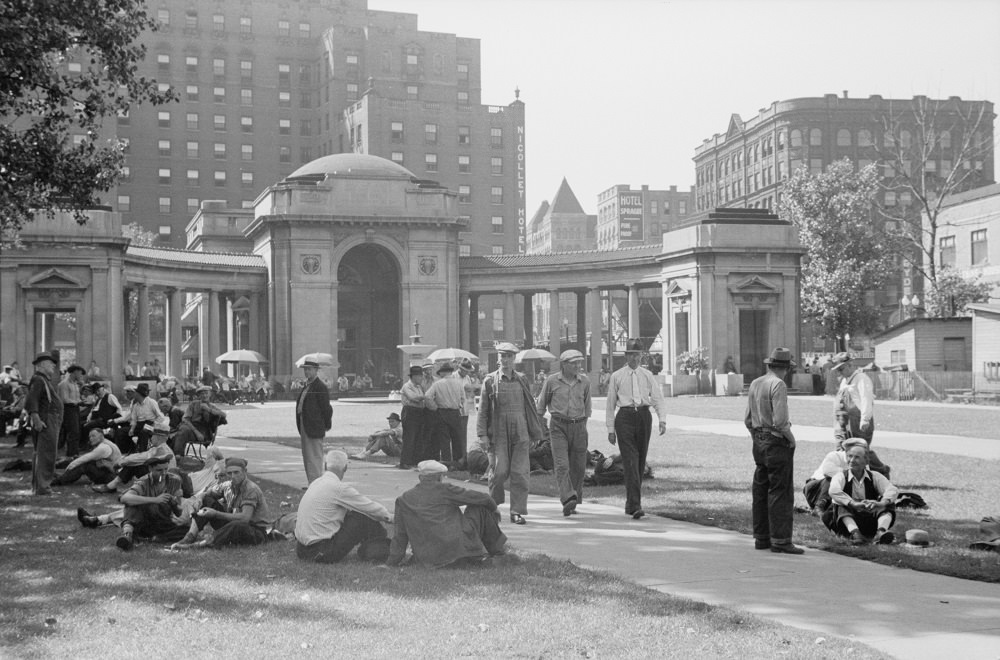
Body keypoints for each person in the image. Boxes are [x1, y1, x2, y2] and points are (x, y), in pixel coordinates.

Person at [388, 460, 507, 567]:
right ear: (440, 477)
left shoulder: (403, 500)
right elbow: (483, 498)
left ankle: (493, 553)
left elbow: (400, 536)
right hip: (459, 553)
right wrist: (494, 508)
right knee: (479, 508)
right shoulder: (445, 489)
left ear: (420, 477)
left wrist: (391, 563)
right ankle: (498, 552)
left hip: (428, 558)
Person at [477, 342, 544, 525]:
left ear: (514, 358)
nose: (505, 360)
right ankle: (492, 506)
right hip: (498, 433)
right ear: (498, 358)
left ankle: (517, 511)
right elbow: (482, 411)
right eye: (502, 356)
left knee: (520, 473)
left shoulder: (522, 379)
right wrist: (482, 435)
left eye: (508, 356)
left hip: (521, 431)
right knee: (499, 471)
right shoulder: (490, 380)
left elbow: (529, 407)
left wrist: (534, 433)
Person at [745, 347, 804, 555]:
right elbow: (780, 422)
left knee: (760, 491)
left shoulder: (755, 383)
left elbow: (748, 419)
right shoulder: (778, 385)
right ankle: (780, 540)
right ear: (786, 368)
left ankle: (762, 537)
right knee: (780, 491)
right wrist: (792, 440)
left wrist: (757, 437)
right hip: (776, 441)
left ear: (770, 364)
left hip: (758, 441)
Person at [605, 338, 667, 520]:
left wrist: (662, 419)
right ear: (626, 356)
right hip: (624, 417)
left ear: (642, 356)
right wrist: (610, 429)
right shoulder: (617, 376)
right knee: (630, 459)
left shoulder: (647, 375)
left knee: (640, 461)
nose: (635, 358)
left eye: (638, 355)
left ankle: (630, 503)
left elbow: (657, 398)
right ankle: (636, 505)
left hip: (643, 417)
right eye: (632, 355)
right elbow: (610, 404)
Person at [295, 450, 393, 563]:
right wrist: (391, 517)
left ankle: (375, 549)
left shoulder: (315, 483)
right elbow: (371, 508)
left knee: (353, 515)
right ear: (345, 468)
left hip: (301, 550)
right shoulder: (339, 489)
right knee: (361, 517)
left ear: (325, 465)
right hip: (322, 552)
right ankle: (379, 551)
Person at [536, 349, 592, 516]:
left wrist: (582, 425)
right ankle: (567, 497)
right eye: (574, 363)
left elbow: (587, 407)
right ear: (564, 365)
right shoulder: (552, 381)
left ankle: (573, 499)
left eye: (579, 362)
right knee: (562, 465)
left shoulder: (585, 382)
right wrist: (540, 428)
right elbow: (540, 406)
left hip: (579, 426)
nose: (578, 366)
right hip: (558, 426)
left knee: (579, 467)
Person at [172, 457, 273, 549]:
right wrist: (200, 498)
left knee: (237, 524)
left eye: (236, 472)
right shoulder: (227, 485)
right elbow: (208, 493)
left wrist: (215, 514)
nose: (233, 476)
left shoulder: (250, 489)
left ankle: (200, 545)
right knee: (207, 500)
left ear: (245, 472)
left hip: (256, 532)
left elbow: (245, 518)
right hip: (233, 526)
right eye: (230, 473)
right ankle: (190, 537)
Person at [830, 352, 891, 476]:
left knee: (861, 451)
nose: (839, 372)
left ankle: (881, 470)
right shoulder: (844, 381)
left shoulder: (861, 378)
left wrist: (865, 419)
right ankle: (849, 477)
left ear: (850, 365)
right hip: (843, 422)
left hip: (857, 421)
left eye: (841, 368)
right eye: (838, 370)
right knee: (842, 449)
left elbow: (866, 399)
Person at [826, 443, 899, 545]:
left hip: (869, 518)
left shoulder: (875, 476)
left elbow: (892, 489)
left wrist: (881, 503)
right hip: (847, 521)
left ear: (866, 461)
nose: (851, 460)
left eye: (857, 457)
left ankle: (880, 532)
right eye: (850, 456)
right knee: (840, 503)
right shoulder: (840, 476)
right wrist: (853, 503)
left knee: (888, 502)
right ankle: (856, 534)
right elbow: (834, 491)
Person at [115, 454, 186, 550]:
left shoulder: (175, 481)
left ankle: (157, 538)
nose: (164, 473)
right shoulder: (144, 481)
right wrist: (155, 500)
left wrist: (175, 504)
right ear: (150, 469)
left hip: (163, 522)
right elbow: (125, 498)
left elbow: (179, 511)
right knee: (132, 504)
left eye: (166, 469)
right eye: (159, 470)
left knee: (188, 528)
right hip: (145, 521)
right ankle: (128, 536)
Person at [93, 419, 178, 493]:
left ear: (158, 437)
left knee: (133, 464)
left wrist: (120, 462)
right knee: (133, 463)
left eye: (152, 435)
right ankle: (115, 486)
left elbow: (139, 458)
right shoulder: (160, 448)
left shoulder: (161, 450)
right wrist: (124, 460)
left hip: (162, 484)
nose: (151, 438)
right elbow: (141, 455)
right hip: (162, 480)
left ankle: (112, 487)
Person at [24, 350, 63, 495]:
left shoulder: (43, 380)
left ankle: (40, 486)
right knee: (46, 453)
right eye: (50, 363)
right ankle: (43, 487)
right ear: (42, 365)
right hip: (46, 421)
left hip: (49, 420)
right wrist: (37, 419)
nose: (53, 365)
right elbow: (31, 400)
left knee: (44, 453)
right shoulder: (38, 380)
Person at [802, 437, 871, 516]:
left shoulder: (862, 463)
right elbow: (828, 472)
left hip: (837, 495)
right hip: (815, 490)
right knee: (835, 478)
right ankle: (819, 507)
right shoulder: (834, 456)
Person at [295, 359, 333, 483]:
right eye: (305, 369)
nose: (306, 372)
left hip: (314, 425)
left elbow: (326, 408)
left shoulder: (319, 386)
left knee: (314, 456)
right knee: (307, 456)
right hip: (304, 423)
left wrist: (326, 425)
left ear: (316, 371)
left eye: (309, 369)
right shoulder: (308, 385)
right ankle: (312, 482)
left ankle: (316, 484)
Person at [423, 362, 467, 464]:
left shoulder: (437, 384)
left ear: (442, 373)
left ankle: (447, 460)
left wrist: (434, 407)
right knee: (456, 437)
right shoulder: (458, 383)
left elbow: (427, 396)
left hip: (442, 412)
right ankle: (458, 460)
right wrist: (458, 405)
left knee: (444, 438)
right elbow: (463, 398)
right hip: (455, 412)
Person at [52, 427, 122, 486]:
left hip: (111, 477)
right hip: (112, 474)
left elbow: (85, 458)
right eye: (90, 437)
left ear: (101, 436)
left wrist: (71, 465)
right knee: (77, 459)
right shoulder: (106, 442)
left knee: (83, 464)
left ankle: (58, 480)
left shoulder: (103, 447)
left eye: (93, 436)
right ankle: (55, 470)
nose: (91, 438)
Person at [171, 385, 227, 456]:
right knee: (179, 431)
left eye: (206, 393)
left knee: (182, 431)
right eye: (202, 394)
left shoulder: (212, 406)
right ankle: (176, 455)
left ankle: (177, 456)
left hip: (204, 432)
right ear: (199, 396)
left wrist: (208, 409)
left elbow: (223, 415)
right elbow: (185, 419)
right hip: (192, 428)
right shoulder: (194, 404)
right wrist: (196, 432)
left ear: (210, 394)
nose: (204, 395)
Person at [111, 382, 164, 453]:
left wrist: (154, 425)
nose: (134, 394)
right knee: (121, 432)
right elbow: (134, 420)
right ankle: (125, 451)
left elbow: (160, 417)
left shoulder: (151, 402)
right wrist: (132, 429)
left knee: (143, 432)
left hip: (150, 425)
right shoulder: (136, 405)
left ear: (138, 394)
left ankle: (142, 453)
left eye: (135, 393)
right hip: (139, 425)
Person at [398, 365, 427, 470]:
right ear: (414, 376)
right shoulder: (407, 386)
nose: (421, 378)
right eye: (420, 376)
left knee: (418, 437)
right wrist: (425, 396)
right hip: (410, 411)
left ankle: (415, 460)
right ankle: (405, 461)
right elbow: (413, 398)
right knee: (409, 437)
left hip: (419, 412)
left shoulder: (419, 387)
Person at [57, 364, 86, 458]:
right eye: (80, 374)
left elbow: (76, 398)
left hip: (75, 409)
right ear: (75, 372)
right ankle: (71, 454)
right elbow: (64, 399)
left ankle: (74, 452)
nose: (81, 376)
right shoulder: (64, 384)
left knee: (77, 431)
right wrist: (78, 402)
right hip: (68, 409)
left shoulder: (75, 384)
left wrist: (80, 401)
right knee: (73, 431)